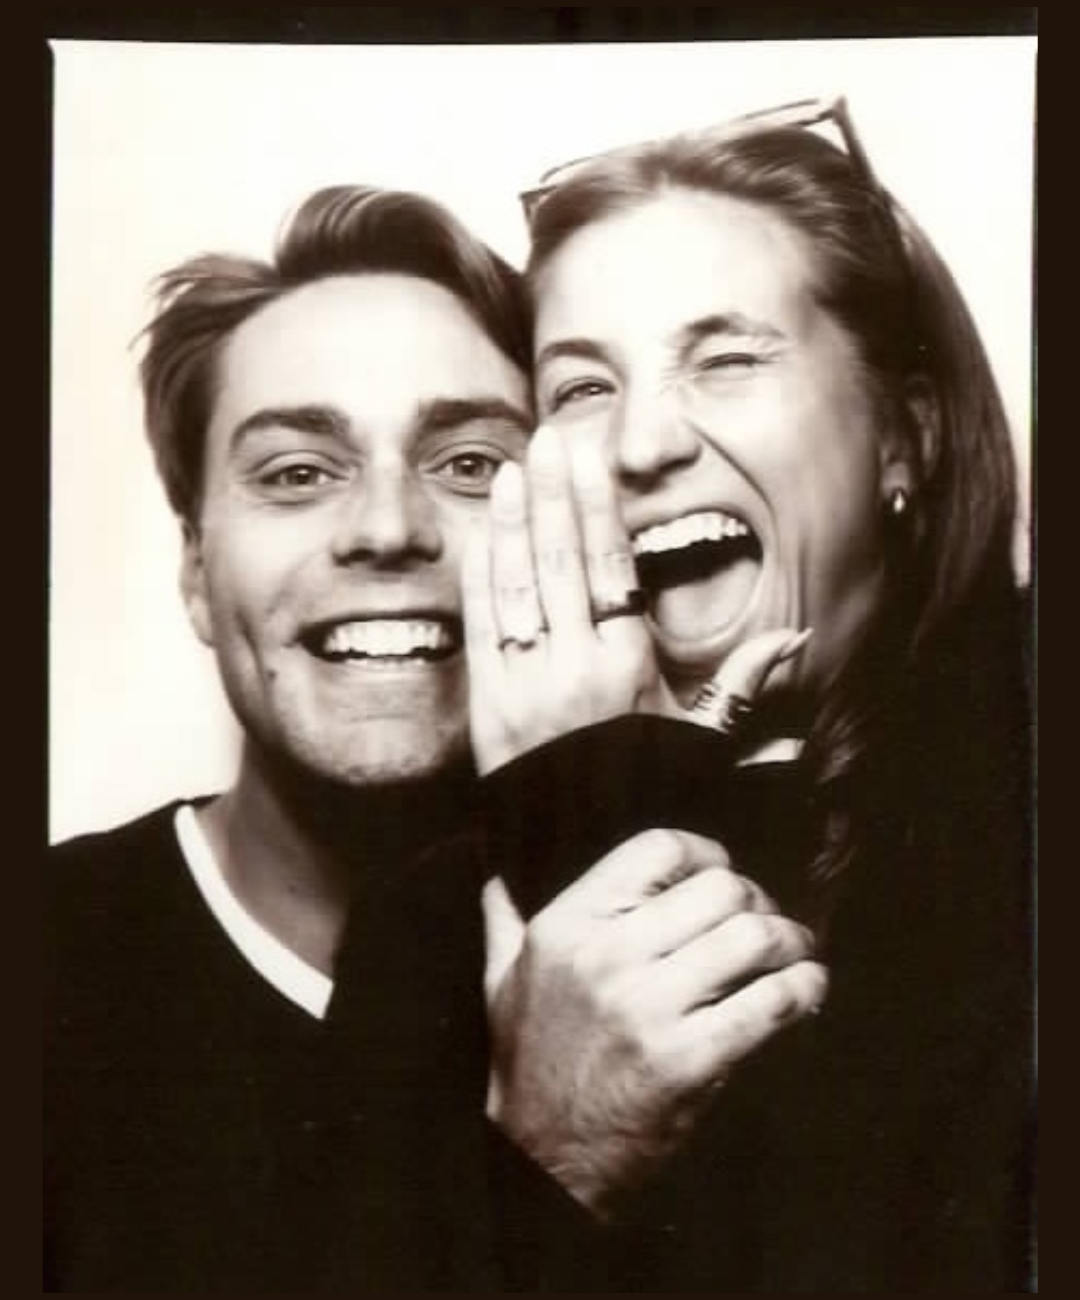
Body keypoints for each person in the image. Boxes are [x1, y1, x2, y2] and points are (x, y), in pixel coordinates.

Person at [376, 95, 1032, 1289]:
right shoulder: (425, 916)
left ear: (907, 435)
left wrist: (601, 832)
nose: (641, 447)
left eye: (726, 360)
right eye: (582, 388)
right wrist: (580, 826)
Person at [44, 182, 538, 1290]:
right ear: (194, 568)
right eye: (298, 474)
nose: (388, 529)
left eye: (469, 464)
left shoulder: (668, 966)